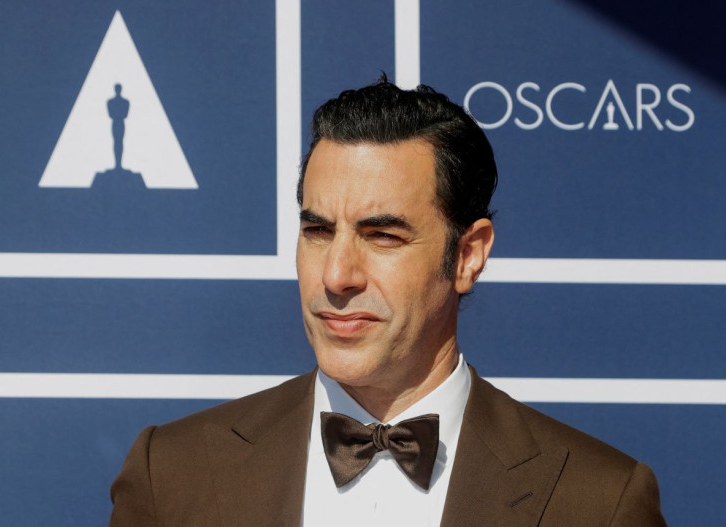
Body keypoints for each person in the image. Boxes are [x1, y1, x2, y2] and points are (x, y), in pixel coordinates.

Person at [109, 78, 667, 526]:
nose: (336, 275)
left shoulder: (598, 502)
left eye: (383, 237)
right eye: (318, 231)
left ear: (468, 255)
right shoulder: (172, 473)